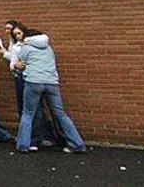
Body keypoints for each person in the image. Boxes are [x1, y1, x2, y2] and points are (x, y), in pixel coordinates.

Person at [11, 24, 87, 154]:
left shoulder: (26, 48)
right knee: (60, 114)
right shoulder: (49, 48)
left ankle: (23, 145)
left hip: (33, 82)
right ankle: (77, 144)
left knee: (28, 113)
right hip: (52, 82)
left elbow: (21, 65)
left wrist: (17, 66)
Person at [0, 20, 61, 148]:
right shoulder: (18, 45)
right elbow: (15, 63)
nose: (16, 35)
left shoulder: (25, 46)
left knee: (32, 111)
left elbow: (18, 62)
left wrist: (8, 57)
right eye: (13, 33)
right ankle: (35, 138)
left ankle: (33, 139)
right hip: (36, 78)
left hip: (30, 78)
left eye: (18, 32)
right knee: (31, 110)